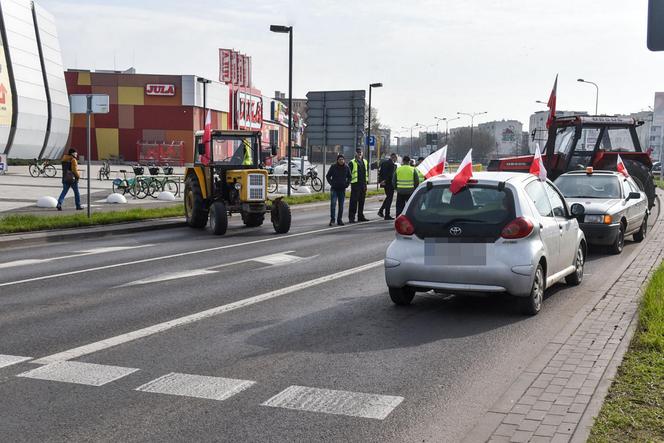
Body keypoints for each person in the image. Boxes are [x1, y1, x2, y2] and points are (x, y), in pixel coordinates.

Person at [325, 154, 351, 226]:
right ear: (337, 160)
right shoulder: (333, 167)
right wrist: (331, 183)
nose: (341, 161)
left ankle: (339, 220)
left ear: (344, 160)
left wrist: (347, 184)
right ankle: (332, 220)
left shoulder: (346, 167)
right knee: (333, 204)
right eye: (340, 159)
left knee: (341, 205)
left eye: (342, 159)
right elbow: (328, 176)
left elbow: (350, 177)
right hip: (334, 189)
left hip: (342, 189)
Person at [348, 147, 369, 223]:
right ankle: (351, 217)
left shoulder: (365, 162)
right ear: (355, 153)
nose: (359, 153)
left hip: (363, 184)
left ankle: (360, 216)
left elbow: (366, 173)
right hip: (355, 184)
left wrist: (366, 184)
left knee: (362, 201)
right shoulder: (352, 162)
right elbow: (348, 173)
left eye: (360, 152)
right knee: (353, 202)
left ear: (362, 153)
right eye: (358, 152)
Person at [378, 153, 398, 220]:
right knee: (389, 199)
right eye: (396, 158)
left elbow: (380, 173)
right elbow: (390, 175)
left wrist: (381, 181)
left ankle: (381, 210)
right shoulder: (392, 165)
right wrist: (385, 181)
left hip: (384, 183)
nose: (396, 160)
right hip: (389, 184)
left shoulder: (384, 163)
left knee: (388, 198)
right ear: (394, 157)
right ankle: (387, 214)